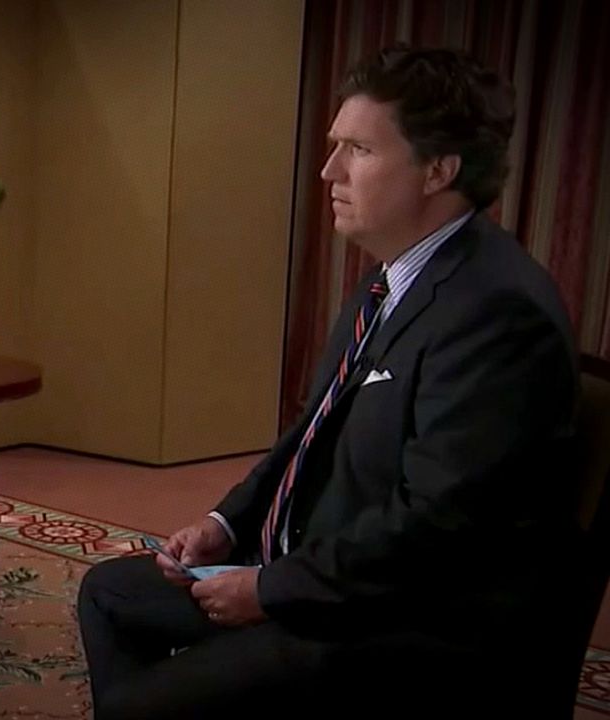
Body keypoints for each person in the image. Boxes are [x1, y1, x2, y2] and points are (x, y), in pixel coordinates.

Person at [77, 46, 580, 718]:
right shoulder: (391, 279)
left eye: (358, 150)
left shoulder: (497, 312)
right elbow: (312, 431)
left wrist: (270, 591)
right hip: (328, 570)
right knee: (107, 593)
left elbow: (432, 527)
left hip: (412, 622)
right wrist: (227, 523)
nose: (328, 171)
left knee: (138, 706)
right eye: (334, 146)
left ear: (439, 170)